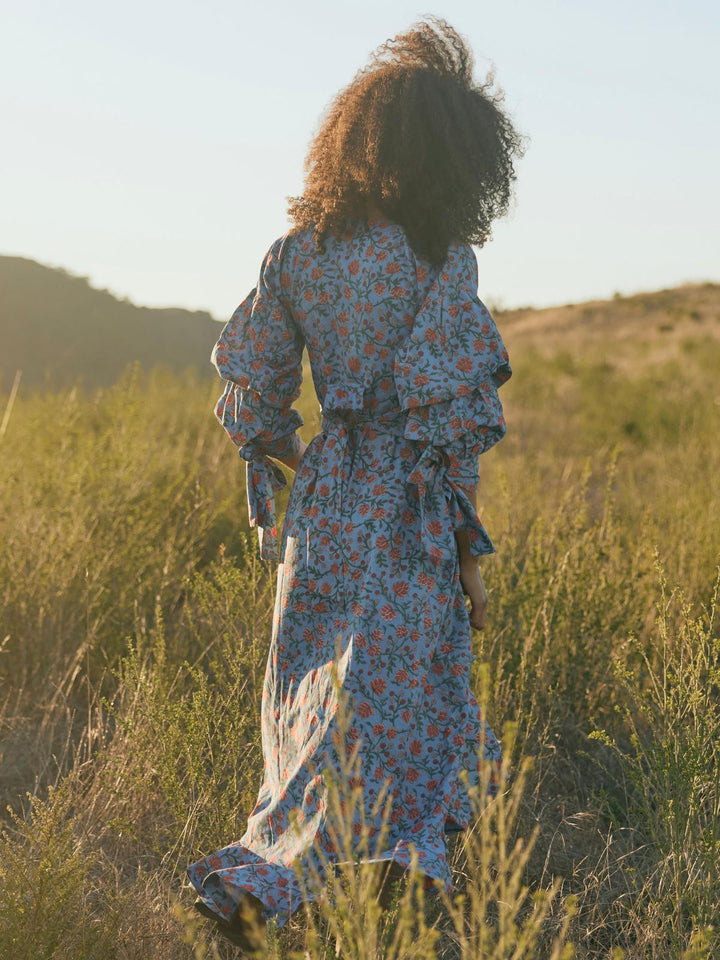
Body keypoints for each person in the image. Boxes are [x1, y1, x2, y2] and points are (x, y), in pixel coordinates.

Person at [187, 15, 524, 952]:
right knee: (403, 705)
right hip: (410, 515)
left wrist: (315, 460)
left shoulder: (296, 255)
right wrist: (472, 564)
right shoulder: (440, 263)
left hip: (328, 508)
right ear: (452, 156)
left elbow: (251, 397)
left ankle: (271, 877)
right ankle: (315, 889)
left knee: (311, 709)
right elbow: (453, 439)